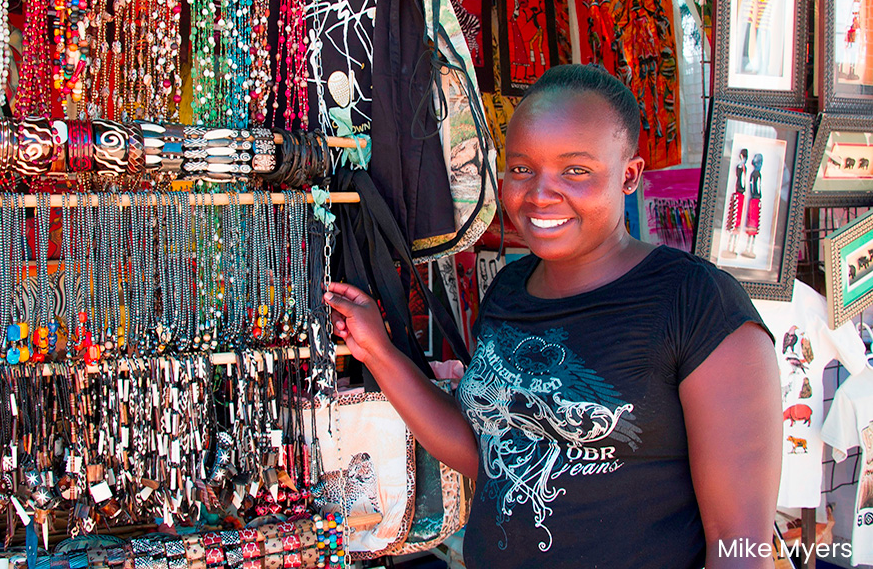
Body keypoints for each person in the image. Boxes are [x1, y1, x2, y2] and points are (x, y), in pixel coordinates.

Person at [323, 64, 781, 568]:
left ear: (629, 175)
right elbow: (490, 457)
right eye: (521, 168)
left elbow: (740, 542)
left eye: (575, 170)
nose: (540, 193)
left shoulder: (697, 304)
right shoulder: (509, 292)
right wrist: (378, 352)